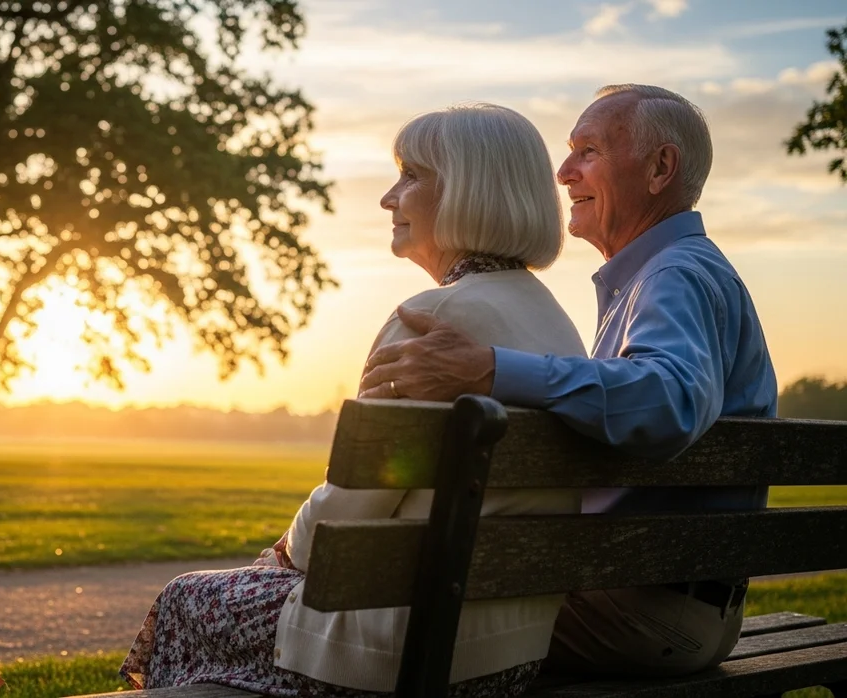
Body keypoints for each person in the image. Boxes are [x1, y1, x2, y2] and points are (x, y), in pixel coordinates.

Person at [119, 103, 586, 697]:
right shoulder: (558, 327)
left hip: (400, 647)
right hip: (508, 658)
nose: (390, 198)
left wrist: (282, 551)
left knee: (187, 598)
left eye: (411, 176)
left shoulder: (430, 322)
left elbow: (341, 525)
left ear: (468, 189)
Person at [359, 84, 779, 677]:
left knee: (371, 632)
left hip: (639, 615)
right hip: (673, 607)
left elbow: (670, 399)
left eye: (588, 151)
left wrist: (490, 368)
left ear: (660, 168)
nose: (562, 172)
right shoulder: (665, 277)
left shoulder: (675, 276)